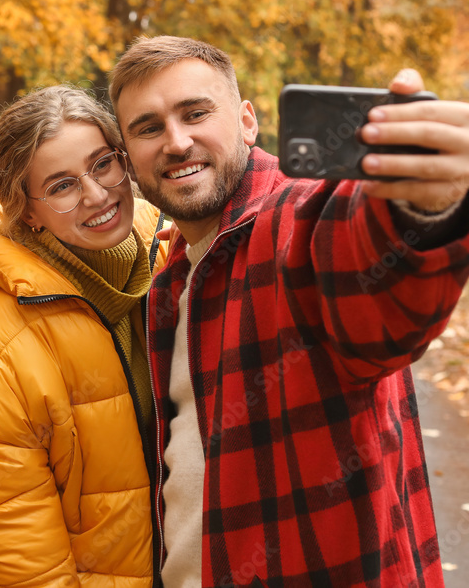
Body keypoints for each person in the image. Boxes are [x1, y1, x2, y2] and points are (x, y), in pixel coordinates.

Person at [108, 35, 469, 586]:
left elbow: (365, 254)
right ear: (130, 156)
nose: (176, 142)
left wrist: (422, 206)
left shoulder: (292, 223)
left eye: (195, 113)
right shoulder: (167, 281)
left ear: (248, 122)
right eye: (148, 128)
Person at [0, 86, 168, 586]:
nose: (96, 195)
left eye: (103, 165)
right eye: (60, 186)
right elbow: (24, 568)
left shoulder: (171, 266)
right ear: (26, 211)